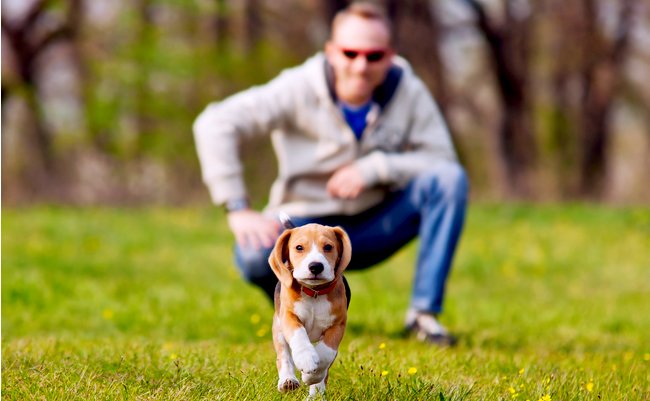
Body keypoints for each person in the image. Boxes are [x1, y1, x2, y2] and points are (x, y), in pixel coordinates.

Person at [193, 2, 468, 345]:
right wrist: (236, 206)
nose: (360, 65)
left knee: (449, 181)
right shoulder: (298, 86)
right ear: (331, 52)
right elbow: (214, 122)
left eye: (374, 55)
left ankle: (423, 316)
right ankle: (294, 310)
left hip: (376, 225)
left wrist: (375, 168)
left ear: (390, 55)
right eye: (350, 53)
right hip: (303, 221)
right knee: (251, 255)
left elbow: (443, 160)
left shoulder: (408, 89)